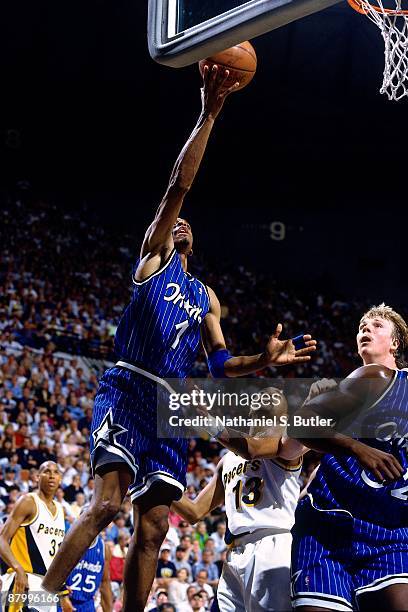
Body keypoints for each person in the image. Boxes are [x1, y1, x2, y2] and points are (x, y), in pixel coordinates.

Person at [42, 66, 316, 612]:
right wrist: (209, 113)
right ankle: (43, 594)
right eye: (175, 222)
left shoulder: (207, 297)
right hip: (128, 385)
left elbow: (220, 364)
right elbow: (179, 185)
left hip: (172, 401)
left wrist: (262, 359)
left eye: (189, 222)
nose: (182, 222)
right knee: (106, 505)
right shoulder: (153, 258)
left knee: (157, 526)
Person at [289, 304, 408, 612]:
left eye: (376, 325)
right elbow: (300, 423)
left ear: (396, 343)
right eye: (361, 326)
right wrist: (358, 448)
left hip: (390, 531)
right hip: (329, 526)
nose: (365, 329)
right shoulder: (373, 377)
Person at [0, 461, 71, 612]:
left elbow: (55, 555)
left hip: (47, 586)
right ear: (37, 477)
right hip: (22, 581)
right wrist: (17, 568)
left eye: (56, 472)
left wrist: (63, 592)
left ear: (60, 479)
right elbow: (2, 539)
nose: (51, 476)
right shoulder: (28, 501)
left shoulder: (61, 509)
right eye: (46, 471)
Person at [66, 533, 112, 612]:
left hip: (87, 605)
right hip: (65, 601)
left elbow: (105, 582)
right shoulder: (67, 541)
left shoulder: (104, 547)